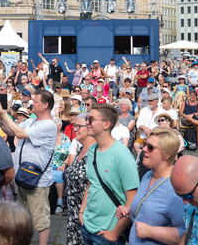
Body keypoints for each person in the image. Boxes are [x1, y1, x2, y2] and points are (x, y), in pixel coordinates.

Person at [0, 90, 56, 245]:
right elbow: (11, 131)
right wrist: (1, 118)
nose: (31, 104)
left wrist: (5, 114)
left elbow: (20, 133)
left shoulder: (49, 125)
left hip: (37, 180)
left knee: (41, 219)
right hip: (24, 175)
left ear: (46, 105)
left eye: (35, 101)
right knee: (23, 216)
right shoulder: (32, 121)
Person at [80, 104, 139, 245]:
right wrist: (82, 212)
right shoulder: (93, 149)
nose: (86, 122)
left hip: (108, 231)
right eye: (87, 118)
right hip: (87, 224)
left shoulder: (122, 155)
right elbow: (91, 182)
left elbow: (133, 198)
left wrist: (114, 233)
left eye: (91, 119)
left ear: (106, 124)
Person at [118, 127, 185, 245]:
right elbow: (148, 209)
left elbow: (185, 234)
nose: (144, 149)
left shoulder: (175, 190)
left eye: (150, 147)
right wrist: (129, 210)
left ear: (166, 155)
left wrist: (150, 232)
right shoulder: (148, 175)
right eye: (145, 144)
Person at [64, 114, 95, 245]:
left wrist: (82, 212)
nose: (74, 129)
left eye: (78, 126)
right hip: (73, 215)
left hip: (87, 216)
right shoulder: (81, 149)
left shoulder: (96, 152)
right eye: (74, 126)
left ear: (90, 127)